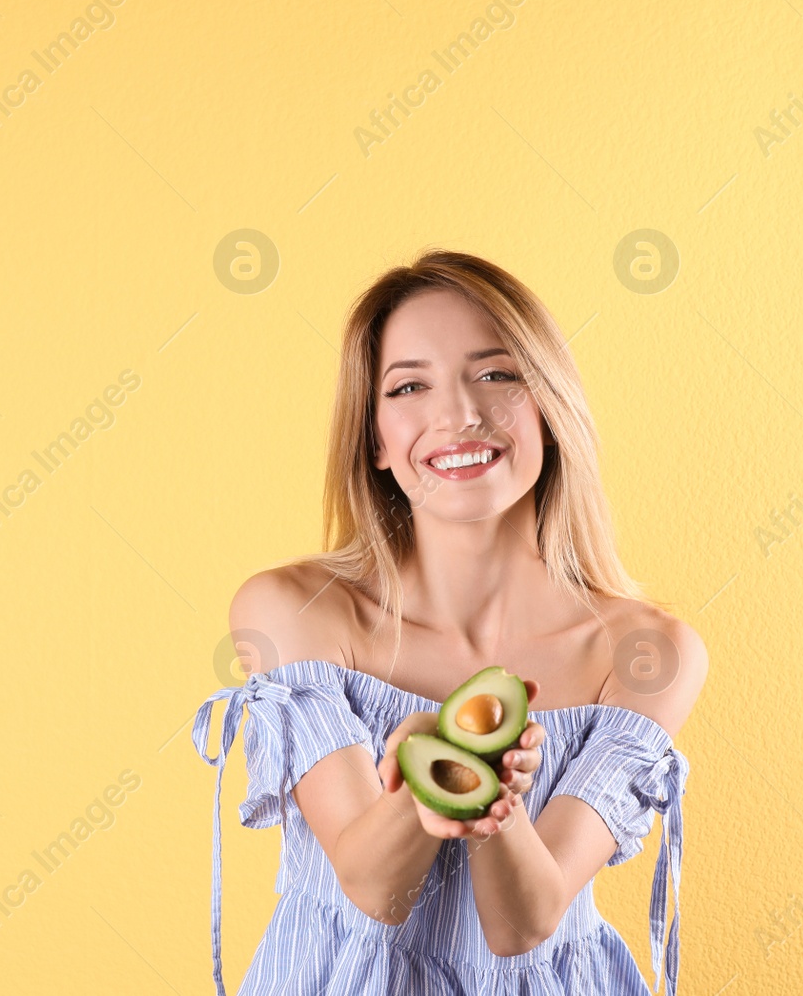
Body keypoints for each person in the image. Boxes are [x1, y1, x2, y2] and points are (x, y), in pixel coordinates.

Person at [192, 250, 708, 994]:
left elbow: (523, 923)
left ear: (549, 405)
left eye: (497, 373)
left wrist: (493, 802)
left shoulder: (645, 652)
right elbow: (375, 890)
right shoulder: (292, 612)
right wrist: (423, 781)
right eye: (408, 386)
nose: (459, 414)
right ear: (373, 438)